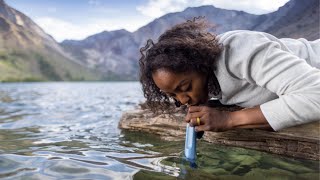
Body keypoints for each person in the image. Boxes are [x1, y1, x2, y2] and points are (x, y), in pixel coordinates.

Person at [139, 18, 320, 132]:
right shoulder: (205, 82)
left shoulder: (239, 50)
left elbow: (316, 94)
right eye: (173, 96)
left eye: (185, 88)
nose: (183, 100)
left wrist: (230, 119)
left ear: (200, 64)